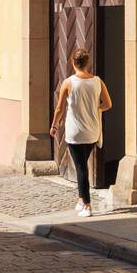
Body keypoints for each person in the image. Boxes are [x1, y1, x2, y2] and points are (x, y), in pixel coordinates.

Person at [50, 47, 112, 217]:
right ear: (87, 63)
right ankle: (80, 199)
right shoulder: (98, 81)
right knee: (82, 165)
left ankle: (87, 205)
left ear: (73, 63)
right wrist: (95, 108)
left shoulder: (68, 82)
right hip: (92, 131)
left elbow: (59, 109)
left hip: (75, 132)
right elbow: (107, 104)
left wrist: (54, 126)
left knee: (81, 168)